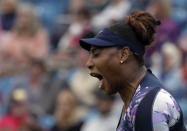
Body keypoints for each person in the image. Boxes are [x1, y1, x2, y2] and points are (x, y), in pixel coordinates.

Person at [79, 11, 186, 130]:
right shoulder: (137, 100)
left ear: (123, 54)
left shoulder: (149, 105)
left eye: (96, 54)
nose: (88, 63)